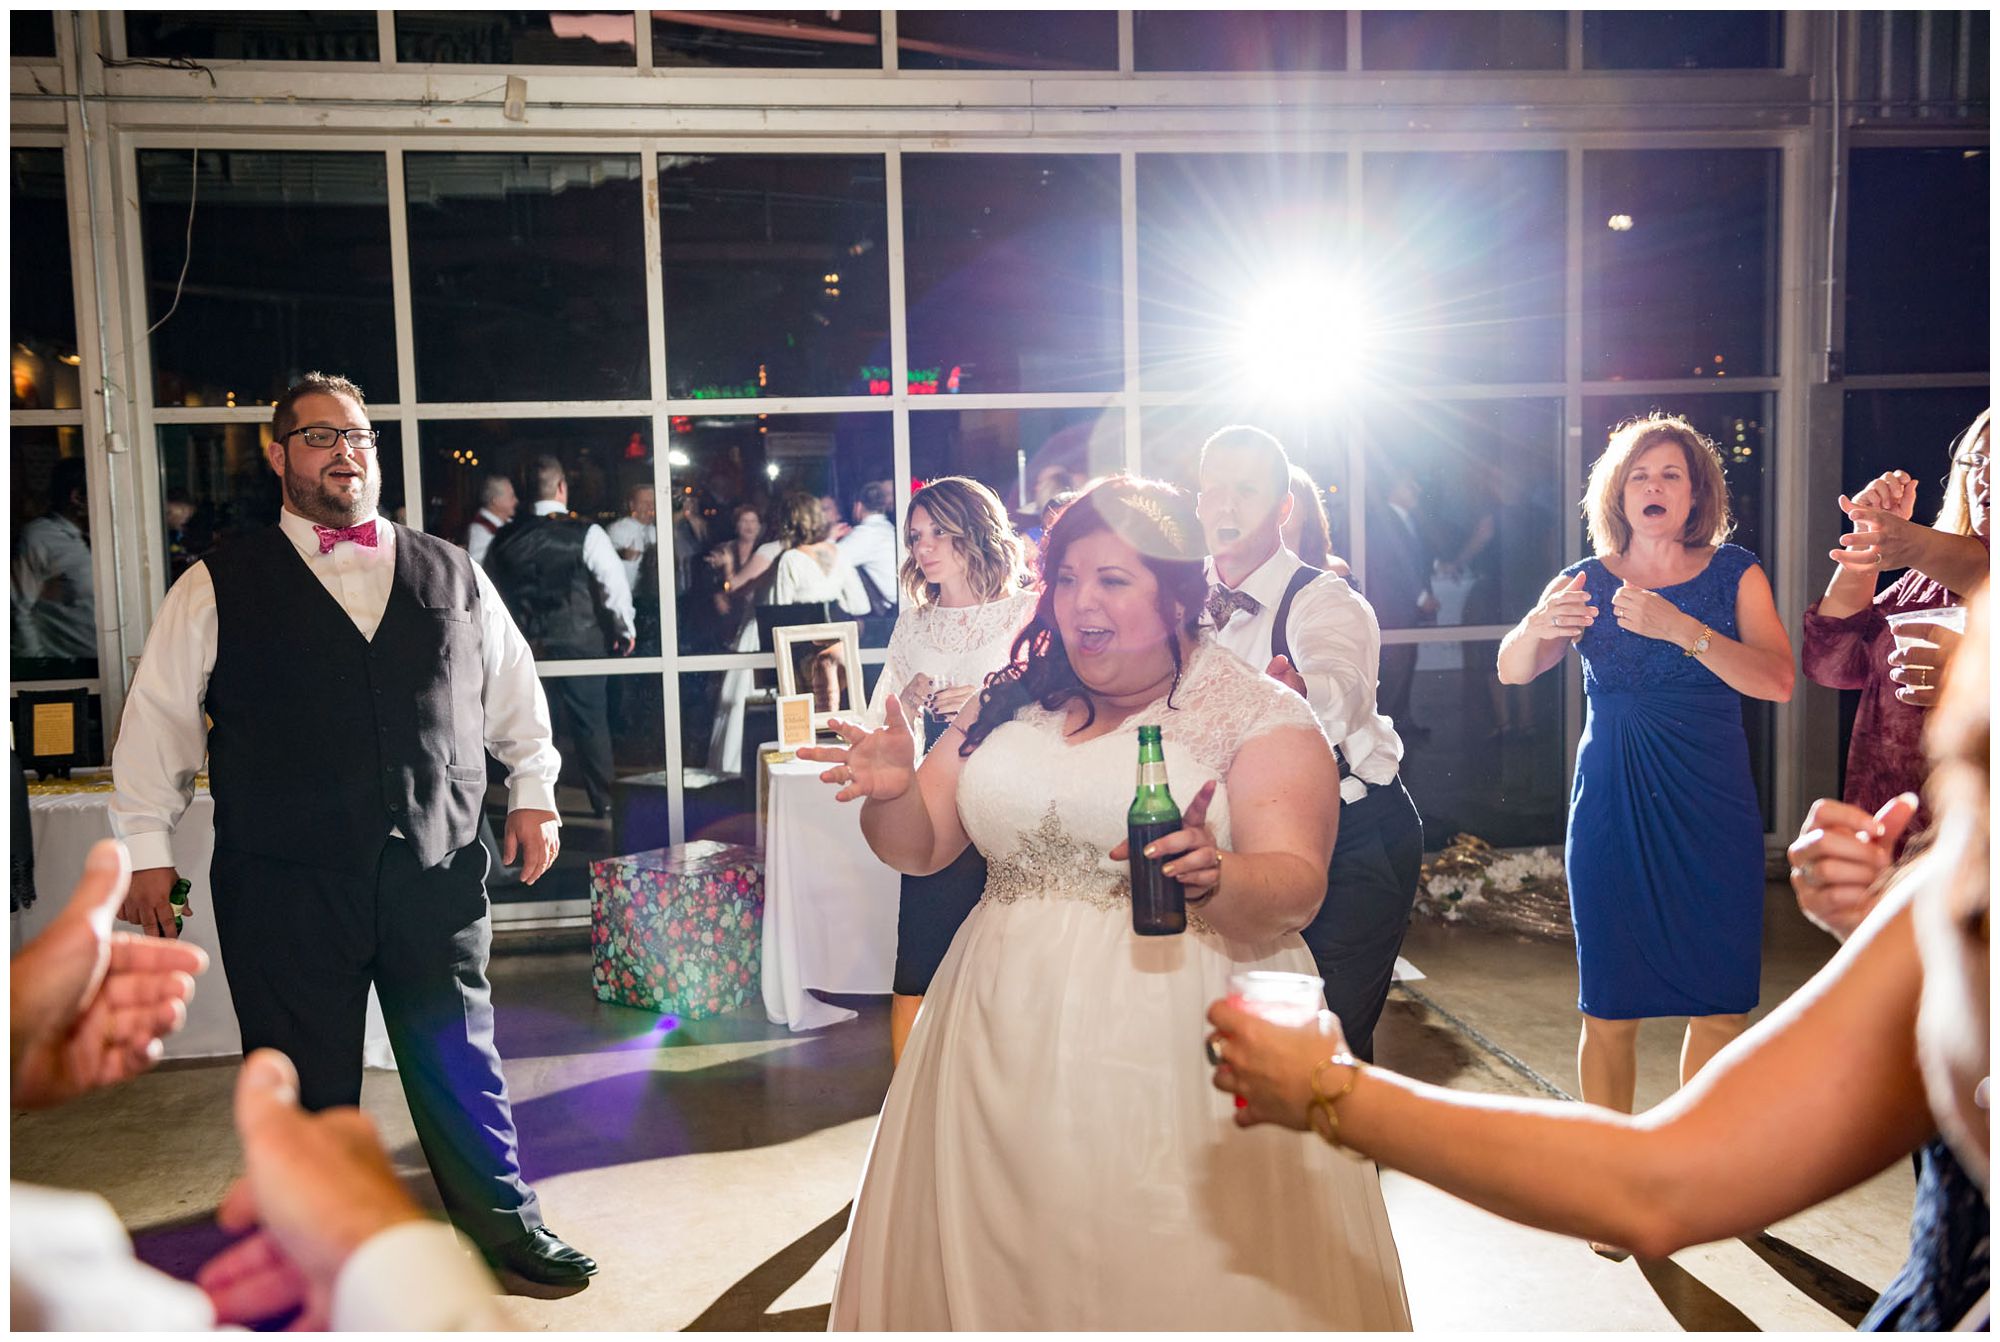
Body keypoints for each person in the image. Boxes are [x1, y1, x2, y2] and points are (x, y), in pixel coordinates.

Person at [1210, 589, 1992, 1329]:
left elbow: (1659, 1187)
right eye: (1964, 777)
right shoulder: (1951, 902)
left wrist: (1333, 1092)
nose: (1959, 831)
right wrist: (1893, 933)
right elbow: (1671, 1174)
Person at [801, 477, 1409, 1330]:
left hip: (1178, 1046)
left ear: (1175, 595)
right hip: (991, 1037)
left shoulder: (1258, 715)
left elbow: (1296, 890)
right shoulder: (1012, 698)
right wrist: (892, 793)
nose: (1082, 602)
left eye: (1113, 580)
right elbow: (924, 845)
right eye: (1067, 577)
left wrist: (1218, 874)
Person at [108, 374, 595, 1287]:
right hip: (287, 880)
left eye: (359, 436)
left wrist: (533, 790)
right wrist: (151, 862)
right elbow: (157, 729)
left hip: (435, 866)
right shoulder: (217, 584)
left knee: (460, 1059)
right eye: (322, 435)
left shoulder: (452, 567)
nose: (345, 453)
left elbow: (513, 693)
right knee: (302, 1080)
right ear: (278, 452)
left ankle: (504, 1228)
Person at [10, 838, 505, 1331]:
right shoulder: (58, 1279)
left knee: (461, 1049)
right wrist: (387, 1252)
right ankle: (301, 1235)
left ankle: (507, 1223)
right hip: (283, 859)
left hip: (433, 851)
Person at [1495, 413, 1793, 1215]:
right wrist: (1533, 627)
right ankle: (1609, 1187)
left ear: (1697, 492)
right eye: (1639, 476)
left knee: (1721, 1001)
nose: (1655, 488)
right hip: (1614, 802)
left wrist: (1685, 631)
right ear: (1616, 493)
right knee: (1611, 1003)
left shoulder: (1734, 574)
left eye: (1671, 475)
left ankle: (1688, 1171)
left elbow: (1777, 681)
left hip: (1711, 799)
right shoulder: (1586, 579)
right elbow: (1514, 670)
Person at [1198, 427, 1422, 1063]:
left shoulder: (1322, 597)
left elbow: (1342, 685)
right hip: (1234, 846)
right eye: (1214, 488)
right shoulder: (1177, 602)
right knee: (1240, 1056)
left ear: (1282, 508)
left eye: (1247, 490)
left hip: (1350, 841)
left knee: (1325, 1054)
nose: (1227, 505)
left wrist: (1292, 697)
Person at [863, 476, 1035, 1064]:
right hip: (936, 797)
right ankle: (906, 1100)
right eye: (915, 536)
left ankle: (994, 1084)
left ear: (976, 530)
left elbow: (1060, 710)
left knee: (1003, 956)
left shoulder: (1028, 612)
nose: (924, 547)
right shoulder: (915, 622)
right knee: (919, 955)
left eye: (938, 531)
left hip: (1011, 795)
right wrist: (908, 703)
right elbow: (881, 722)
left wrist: (990, 700)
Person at [1802, 408, 1989, 844]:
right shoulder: (1924, 582)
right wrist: (1868, 540)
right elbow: (1831, 664)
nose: (1985, 476)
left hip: (1978, 843)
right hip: (1891, 829)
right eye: (1977, 462)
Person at [484, 453, 637, 819]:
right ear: (562, 487)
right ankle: (604, 803)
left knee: (529, 732)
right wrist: (624, 629)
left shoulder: (504, 539)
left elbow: (490, 595)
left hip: (528, 649)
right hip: (581, 643)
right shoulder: (586, 532)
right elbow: (613, 587)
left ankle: (533, 807)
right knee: (591, 727)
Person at [709, 492, 868, 776]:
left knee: (795, 721)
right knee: (829, 713)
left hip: (797, 651)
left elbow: (780, 615)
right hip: (832, 646)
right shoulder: (838, 552)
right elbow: (859, 605)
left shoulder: (791, 558)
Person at [1364, 465, 1436, 738]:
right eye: (1410, 484)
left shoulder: (1402, 520)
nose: (1416, 490)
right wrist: (1421, 596)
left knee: (1404, 665)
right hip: (1392, 609)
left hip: (1402, 609)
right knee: (1395, 669)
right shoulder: (1386, 522)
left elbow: (1413, 562)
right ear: (1393, 488)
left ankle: (1400, 723)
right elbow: (1393, 566)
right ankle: (1390, 729)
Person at [12, 454, 97, 664]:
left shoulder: (102, 537)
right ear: (78, 497)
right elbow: (17, 607)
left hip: (110, 667)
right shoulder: (38, 537)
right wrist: (39, 666)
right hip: (69, 670)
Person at [835, 479, 899, 615]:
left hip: (891, 614)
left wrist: (830, 538)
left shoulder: (866, 534)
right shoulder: (888, 528)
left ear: (857, 506)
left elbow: (830, 562)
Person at [1280, 463, 1351, 580]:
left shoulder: (1334, 571)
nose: (1281, 509)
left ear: (1307, 510)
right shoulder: (1254, 572)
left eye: (1288, 501)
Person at [605, 482, 659, 594]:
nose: (650, 508)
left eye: (653, 503)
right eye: (645, 503)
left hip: (650, 597)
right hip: (624, 596)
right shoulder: (618, 530)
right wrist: (622, 553)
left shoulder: (654, 531)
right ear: (632, 505)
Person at [464, 472, 517, 568]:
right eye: (511, 497)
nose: (516, 501)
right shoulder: (480, 530)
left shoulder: (509, 523)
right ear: (495, 501)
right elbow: (480, 566)